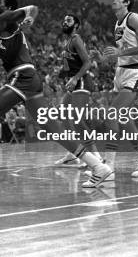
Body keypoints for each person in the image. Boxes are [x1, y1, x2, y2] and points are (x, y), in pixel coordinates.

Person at [0, 0, 111, 195]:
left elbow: (34, 7)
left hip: (22, 77)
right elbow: (12, 52)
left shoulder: (5, 18)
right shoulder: (6, 28)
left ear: (9, 7)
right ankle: (98, 166)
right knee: (54, 129)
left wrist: (29, 17)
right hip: (30, 79)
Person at [93, 0, 138, 179]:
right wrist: (103, 58)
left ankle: (108, 167)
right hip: (121, 73)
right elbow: (122, 52)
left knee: (112, 115)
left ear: (127, 2)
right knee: (123, 119)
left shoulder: (134, 18)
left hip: (136, 72)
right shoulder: (117, 23)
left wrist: (120, 54)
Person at [53, 15, 102, 167]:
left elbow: (87, 63)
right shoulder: (67, 41)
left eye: (68, 20)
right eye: (64, 20)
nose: (64, 22)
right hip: (73, 83)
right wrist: (62, 72)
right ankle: (73, 153)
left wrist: (74, 79)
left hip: (81, 82)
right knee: (62, 114)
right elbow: (71, 65)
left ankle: (96, 156)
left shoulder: (76, 39)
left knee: (77, 119)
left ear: (76, 25)